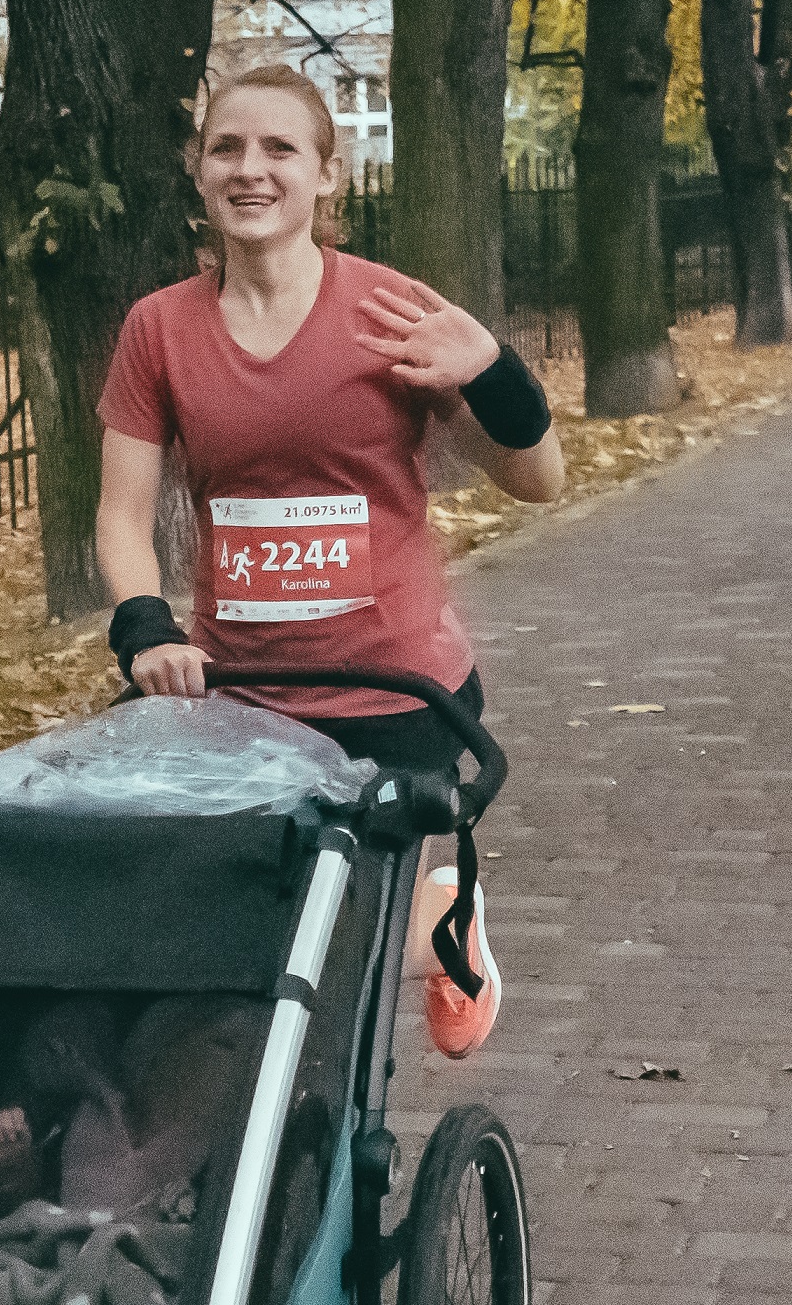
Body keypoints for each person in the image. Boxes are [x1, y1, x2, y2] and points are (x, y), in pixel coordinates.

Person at [96, 62, 568, 1057]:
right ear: (197, 171)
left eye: (279, 149)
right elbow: (123, 515)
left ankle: (442, 922)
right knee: (236, 946)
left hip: (392, 688)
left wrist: (493, 372)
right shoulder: (159, 330)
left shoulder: (390, 313)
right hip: (242, 692)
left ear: (328, 174)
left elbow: (538, 481)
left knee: (332, 956)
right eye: (227, 147)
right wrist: (146, 625)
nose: (251, 169)